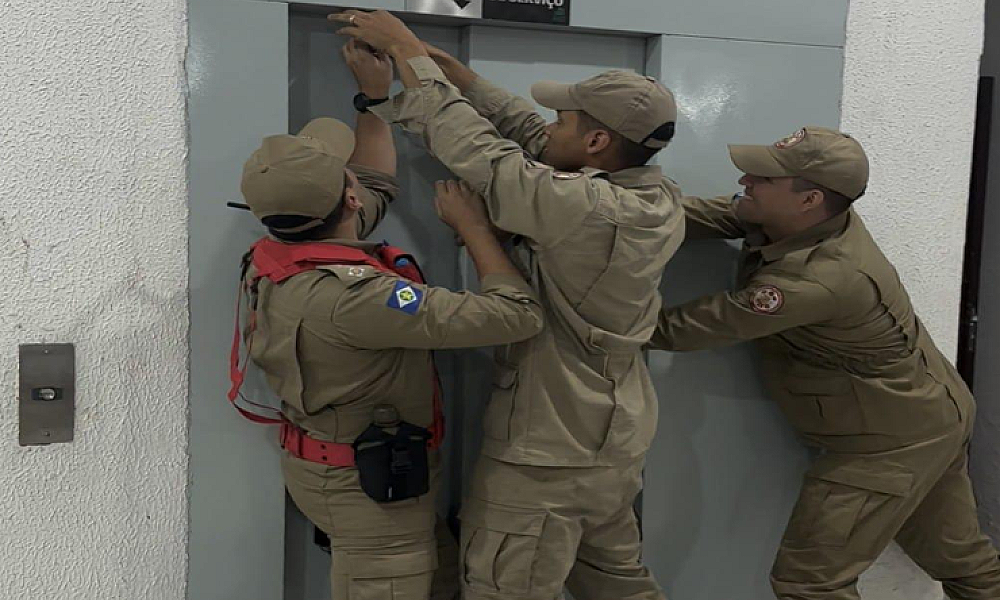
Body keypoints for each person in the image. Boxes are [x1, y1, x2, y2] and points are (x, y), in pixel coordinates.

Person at [331, 10, 684, 600]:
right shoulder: (654, 196)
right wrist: (456, 76)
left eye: (564, 119)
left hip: (545, 457)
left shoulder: (587, 208)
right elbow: (536, 139)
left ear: (597, 142)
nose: (549, 125)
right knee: (619, 584)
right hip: (610, 449)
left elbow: (493, 163)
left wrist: (406, 58)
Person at [231, 41, 544, 600]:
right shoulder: (360, 298)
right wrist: (475, 230)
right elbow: (515, 315)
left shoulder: (281, 254)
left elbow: (376, 184)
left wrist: (374, 95)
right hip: (370, 490)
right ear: (346, 200)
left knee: (439, 580)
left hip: (352, 469)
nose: (359, 187)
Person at [649, 125, 1000, 599]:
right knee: (959, 560)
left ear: (809, 199)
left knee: (810, 581)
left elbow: (685, 327)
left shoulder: (820, 279)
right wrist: (620, 215)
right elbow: (715, 214)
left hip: (887, 441)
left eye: (764, 178)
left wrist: (573, 311)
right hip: (926, 414)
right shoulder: (804, 220)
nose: (747, 180)